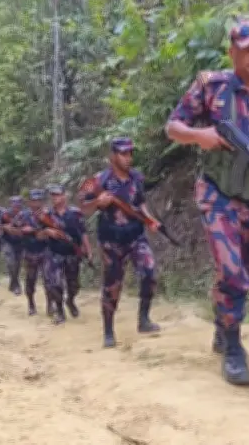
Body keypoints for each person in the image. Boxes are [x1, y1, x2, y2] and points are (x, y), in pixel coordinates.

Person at [164, 19, 249, 386]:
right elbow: (173, 127)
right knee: (232, 272)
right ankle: (234, 348)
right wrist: (200, 135)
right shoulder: (212, 86)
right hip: (218, 194)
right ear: (233, 52)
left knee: (245, 274)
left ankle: (223, 325)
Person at [78, 137, 162, 348]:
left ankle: (143, 319)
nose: (128, 158)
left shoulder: (136, 178)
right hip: (111, 242)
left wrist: (149, 219)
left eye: (130, 153)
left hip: (135, 236)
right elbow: (81, 208)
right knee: (112, 286)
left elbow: (139, 203)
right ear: (112, 156)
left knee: (149, 272)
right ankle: (108, 330)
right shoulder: (97, 180)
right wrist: (98, 202)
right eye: (123, 154)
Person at [41, 184, 93, 324]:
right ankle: (60, 311)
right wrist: (47, 232)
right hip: (54, 253)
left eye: (57, 194)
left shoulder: (75, 213)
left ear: (64, 196)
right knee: (55, 283)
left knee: (74, 285)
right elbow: (37, 234)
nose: (55, 198)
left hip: (72, 254)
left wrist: (88, 251)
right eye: (52, 195)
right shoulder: (46, 215)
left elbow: (83, 233)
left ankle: (70, 301)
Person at [10, 189, 50, 316]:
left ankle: (50, 305)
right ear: (30, 202)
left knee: (50, 280)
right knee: (30, 280)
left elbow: (55, 229)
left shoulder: (48, 214)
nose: (37, 203)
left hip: (45, 251)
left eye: (39, 200)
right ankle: (31, 304)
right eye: (34, 201)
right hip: (29, 252)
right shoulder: (23, 215)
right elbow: (12, 229)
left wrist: (34, 230)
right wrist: (22, 231)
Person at [0, 195, 24, 295]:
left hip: (20, 242)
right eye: (14, 205)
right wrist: (6, 227)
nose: (16, 207)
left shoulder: (24, 214)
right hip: (8, 241)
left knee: (17, 264)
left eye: (18, 205)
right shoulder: (5, 214)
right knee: (10, 263)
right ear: (11, 205)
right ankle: (16, 285)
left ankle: (13, 282)